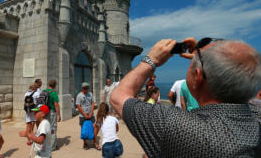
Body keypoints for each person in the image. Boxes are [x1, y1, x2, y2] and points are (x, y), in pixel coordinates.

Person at [110, 37, 261, 157]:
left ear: (198, 76)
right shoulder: (256, 116)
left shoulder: (176, 125)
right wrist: (207, 60)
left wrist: (151, 60)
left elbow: (118, 97)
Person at [76, 82, 96, 150]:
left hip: (90, 114)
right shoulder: (79, 95)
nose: (86, 89)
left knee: (94, 127)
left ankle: (94, 141)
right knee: (83, 130)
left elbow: (92, 103)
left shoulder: (90, 94)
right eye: (85, 88)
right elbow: (78, 106)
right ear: (82, 88)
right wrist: (84, 114)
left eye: (87, 88)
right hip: (82, 115)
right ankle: (85, 143)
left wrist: (91, 112)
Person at [44, 79, 61, 151]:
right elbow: (56, 105)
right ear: (54, 85)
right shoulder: (54, 93)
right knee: (53, 129)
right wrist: (58, 115)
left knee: (46, 128)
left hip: (44, 112)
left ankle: (45, 144)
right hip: (51, 112)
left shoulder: (44, 91)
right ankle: (52, 147)